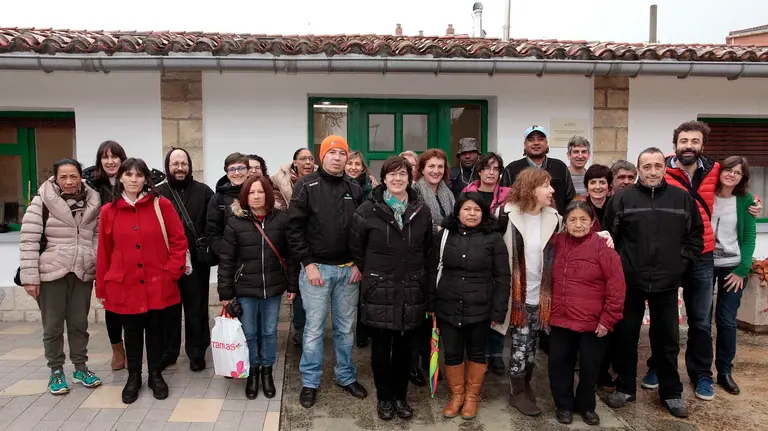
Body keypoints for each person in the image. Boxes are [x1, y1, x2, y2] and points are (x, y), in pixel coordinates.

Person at [639, 121, 763, 401]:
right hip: (668, 256)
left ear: (702, 145)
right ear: (675, 145)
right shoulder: (662, 170)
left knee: (701, 321)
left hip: (703, 256)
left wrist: (752, 202)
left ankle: (701, 374)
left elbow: (738, 186)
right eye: (684, 141)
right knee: (664, 319)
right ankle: (659, 366)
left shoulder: (715, 169)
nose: (689, 146)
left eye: (695, 141)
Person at [603, 147, 704, 418]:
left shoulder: (681, 198)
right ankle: (625, 388)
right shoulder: (622, 199)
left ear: (665, 167)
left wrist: (680, 266)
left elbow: (696, 236)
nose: (652, 171)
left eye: (657, 165)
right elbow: (607, 238)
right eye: (647, 166)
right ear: (639, 170)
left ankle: (671, 393)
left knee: (667, 340)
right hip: (630, 282)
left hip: (667, 284)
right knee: (626, 337)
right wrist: (620, 269)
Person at [96, 158, 188, 404]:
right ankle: (133, 376)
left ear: (146, 178)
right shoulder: (109, 211)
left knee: (156, 331)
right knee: (132, 333)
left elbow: (179, 240)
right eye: (129, 175)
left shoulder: (161, 205)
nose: (134, 180)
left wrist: (171, 271)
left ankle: (156, 374)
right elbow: (104, 251)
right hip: (124, 285)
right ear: (121, 178)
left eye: (139, 175)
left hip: (158, 282)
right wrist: (102, 285)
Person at [349, 156, 433, 421]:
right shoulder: (368, 209)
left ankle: (400, 396)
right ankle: (384, 398)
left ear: (410, 178)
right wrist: (374, 274)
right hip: (380, 289)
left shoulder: (421, 210)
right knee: (381, 348)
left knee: (406, 348)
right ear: (383, 179)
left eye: (403, 174)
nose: (398, 179)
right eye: (392, 174)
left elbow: (427, 248)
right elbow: (356, 247)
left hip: (411, 287)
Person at [287, 135, 367, 409]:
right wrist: (307, 263)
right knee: (313, 330)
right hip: (317, 271)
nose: (337, 157)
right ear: (323, 157)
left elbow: (361, 230)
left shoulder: (354, 188)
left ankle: (346, 376)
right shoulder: (306, 186)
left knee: (346, 330)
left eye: (341, 153)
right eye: (331, 152)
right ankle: (310, 382)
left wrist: (359, 263)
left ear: (347, 158)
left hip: (348, 272)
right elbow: (294, 229)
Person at [19, 158, 103, 395]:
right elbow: (29, 240)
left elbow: (97, 235)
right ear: (55, 178)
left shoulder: (93, 200)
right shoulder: (42, 201)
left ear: (80, 177)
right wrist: (30, 277)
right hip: (51, 272)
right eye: (63, 177)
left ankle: (80, 367)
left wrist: (93, 259)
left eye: (73, 176)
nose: (68, 181)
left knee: (79, 323)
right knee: (53, 325)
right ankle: (56, 371)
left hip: (82, 270)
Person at [82, 140, 165, 371]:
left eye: (114, 157)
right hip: (106, 244)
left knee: (141, 314)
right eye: (104, 157)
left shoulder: (141, 185)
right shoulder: (90, 185)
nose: (109, 161)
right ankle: (118, 349)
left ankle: (149, 363)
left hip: (135, 246)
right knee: (113, 307)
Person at [426, 193, 510, 421]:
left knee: (477, 352)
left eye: (477, 210)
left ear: (483, 214)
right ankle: (457, 395)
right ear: (457, 212)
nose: (472, 214)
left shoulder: (493, 238)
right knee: (452, 352)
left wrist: (498, 311)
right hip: (447, 305)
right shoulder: (443, 235)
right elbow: (432, 270)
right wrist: (431, 302)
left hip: (480, 307)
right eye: (467, 209)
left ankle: (472, 397)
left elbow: (503, 277)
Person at [218, 175, 299, 399]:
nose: (256, 196)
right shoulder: (235, 222)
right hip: (245, 289)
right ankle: (253, 371)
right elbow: (226, 260)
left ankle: (267, 372)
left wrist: (292, 285)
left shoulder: (281, 220)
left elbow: (291, 256)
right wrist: (225, 293)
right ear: (245, 195)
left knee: (270, 332)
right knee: (250, 333)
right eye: (251, 192)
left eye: (260, 191)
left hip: (273, 288)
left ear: (268, 195)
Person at [548, 200, 625, 426]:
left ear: (593, 222)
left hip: (593, 322)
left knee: (590, 367)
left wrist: (607, 320)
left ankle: (586, 406)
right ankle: (563, 405)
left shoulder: (603, 248)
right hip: (561, 318)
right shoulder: (557, 242)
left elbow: (617, 287)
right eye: (572, 220)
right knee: (559, 364)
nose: (578, 224)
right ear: (565, 223)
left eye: (583, 219)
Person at [501, 168, 561, 417]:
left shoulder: (555, 218)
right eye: (546, 185)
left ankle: (524, 385)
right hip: (516, 296)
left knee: (532, 345)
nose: (552, 190)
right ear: (530, 188)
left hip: (543, 295)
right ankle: (517, 393)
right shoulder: (506, 215)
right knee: (520, 344)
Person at [157, 148, 215, 372]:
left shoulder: (204, 192)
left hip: (196, 262)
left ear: (190, 166)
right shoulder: (157, 193)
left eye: (184, 163)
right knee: (168, 309)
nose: (179, 168)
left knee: (196, 308)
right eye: (175, 164)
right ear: (167, 166)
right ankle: (169, 352)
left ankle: (197, 352)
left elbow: (214, 223)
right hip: (166, 262)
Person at [409, 148, 455, 386]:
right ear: (422, 169)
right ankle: (414, 363)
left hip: (443, 262)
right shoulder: (415, 192)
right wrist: (442, 231)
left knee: (435, 314)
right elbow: (419, 227)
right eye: (431, 167)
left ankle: (431, 360)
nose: (436, 171)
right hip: (422, 262)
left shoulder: (448, 193)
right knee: (420, 317)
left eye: (440, 167)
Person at [461, 152, 510, 375]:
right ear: (479, 171)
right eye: (487, 168)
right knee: (479, 304)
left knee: (498, 301)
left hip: (501, 254)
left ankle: (496, 352)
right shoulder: (467, 193)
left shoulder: (509, 195)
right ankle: (477, 352)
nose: (491, 172)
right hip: (473, 254)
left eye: (496, 169)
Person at [712, 156, 757, 396]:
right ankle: (700, 372)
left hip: (732, 267)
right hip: (705, 264)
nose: (731, 175)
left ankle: (725, 371)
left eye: (737, 173)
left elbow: (750, 237)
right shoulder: (707, 193)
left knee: (727, 321)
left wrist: (742, 269)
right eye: (728, 170)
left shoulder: (746, 200)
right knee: (700, 320)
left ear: (742, 178)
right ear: (720, 171)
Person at [272, 147, 315, 345]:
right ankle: (300, 328)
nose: (307, 162)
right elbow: (278, 207)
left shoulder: (320, 180)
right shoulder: (279, 181)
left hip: (315, 241)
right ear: (294, 163)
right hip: (291, 239)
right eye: (303, 159)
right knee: (297, 286)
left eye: (311, 159)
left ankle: (313, 328)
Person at [500, 125, 575, 215]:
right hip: (521, 222)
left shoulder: (560, 167)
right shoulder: (512, 169)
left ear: (546, 143)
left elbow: (570, 199)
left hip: (555, 223)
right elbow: (503, 199)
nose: (536, 143)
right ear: (525, 144)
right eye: (531, 140)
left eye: (540, 139)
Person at [207, 152, 250, 259]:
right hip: (230, 258)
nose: (237, 173)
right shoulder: (218, 198)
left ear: (248, 171)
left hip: (257, 257)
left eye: (241, 168)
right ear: (227, 173)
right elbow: (212, 231)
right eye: (232, 169)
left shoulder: (256, 193)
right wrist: (224, 254)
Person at [583, 164, 612, 232]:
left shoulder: (616, 205)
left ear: (609, 185)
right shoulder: (580, 206)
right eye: (593, 183)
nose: (597, 187)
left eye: (602, 182)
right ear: (586, 186)